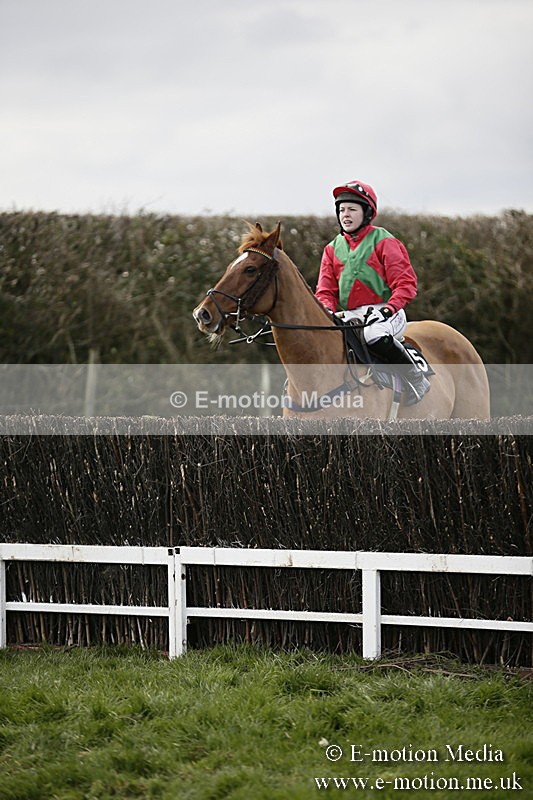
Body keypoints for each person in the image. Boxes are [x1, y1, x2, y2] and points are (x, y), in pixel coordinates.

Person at [315, 179, 430, 405]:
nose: (345, 215)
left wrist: (388, 310)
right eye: (341, 210)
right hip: (352, 315)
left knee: (373, 335)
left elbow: (406, 284)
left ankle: (415, 377)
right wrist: (328, 311)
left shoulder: (384, 241)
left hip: (387, 311)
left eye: (351, 209)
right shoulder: (331, 248)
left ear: (366, 213)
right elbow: (325, 292)